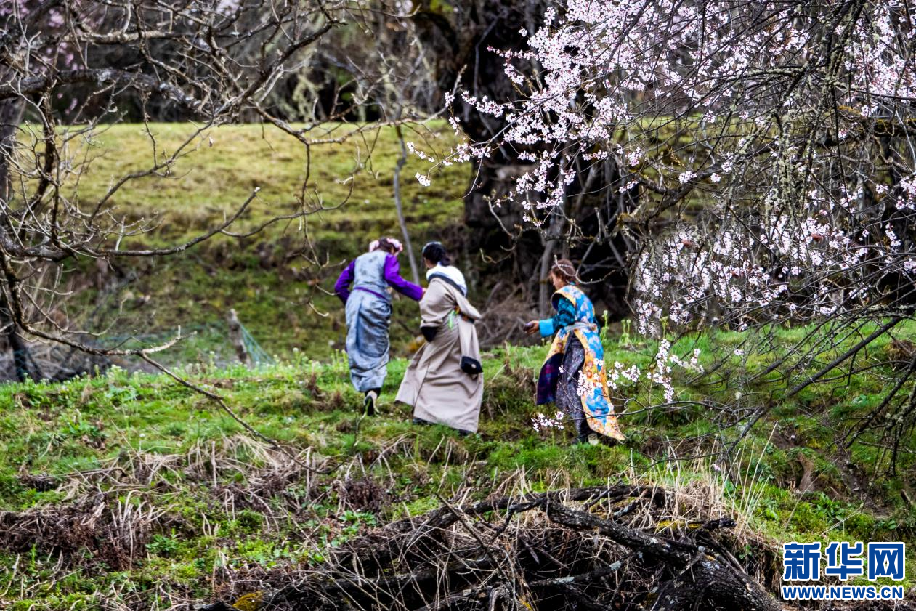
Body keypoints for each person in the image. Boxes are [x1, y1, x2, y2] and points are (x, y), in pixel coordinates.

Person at [525, 259, 625, 445]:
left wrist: (541, 325)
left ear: (560, 277)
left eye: (554, 279)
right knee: (591, 387)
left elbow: (566, 318)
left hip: (579, 344)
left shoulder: (565, 294)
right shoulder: (581, 295)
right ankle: (597, 431)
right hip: (592, 345)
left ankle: (585, 433)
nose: (553, 284)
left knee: (571, 385)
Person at [396, 242, 483, 435]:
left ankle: (424, 415)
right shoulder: (456, 277)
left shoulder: (437, 281)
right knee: (458, 374)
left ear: (427, 260)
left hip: (447, 328)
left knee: (427, 369)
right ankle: (462, 422)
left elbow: (432, 304)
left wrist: (429, 326)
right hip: (464, 329)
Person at [335, 237, 423, 415]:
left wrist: (351, 302)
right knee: (378, 347)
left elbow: (339, 286)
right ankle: (373, 392)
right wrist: (418, 292)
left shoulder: (358, 260)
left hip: (354, 303)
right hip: (375, 303)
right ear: (392, 250)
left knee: (357, 345)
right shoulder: (388, 258)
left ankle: (364, 387)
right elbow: (392, 278)